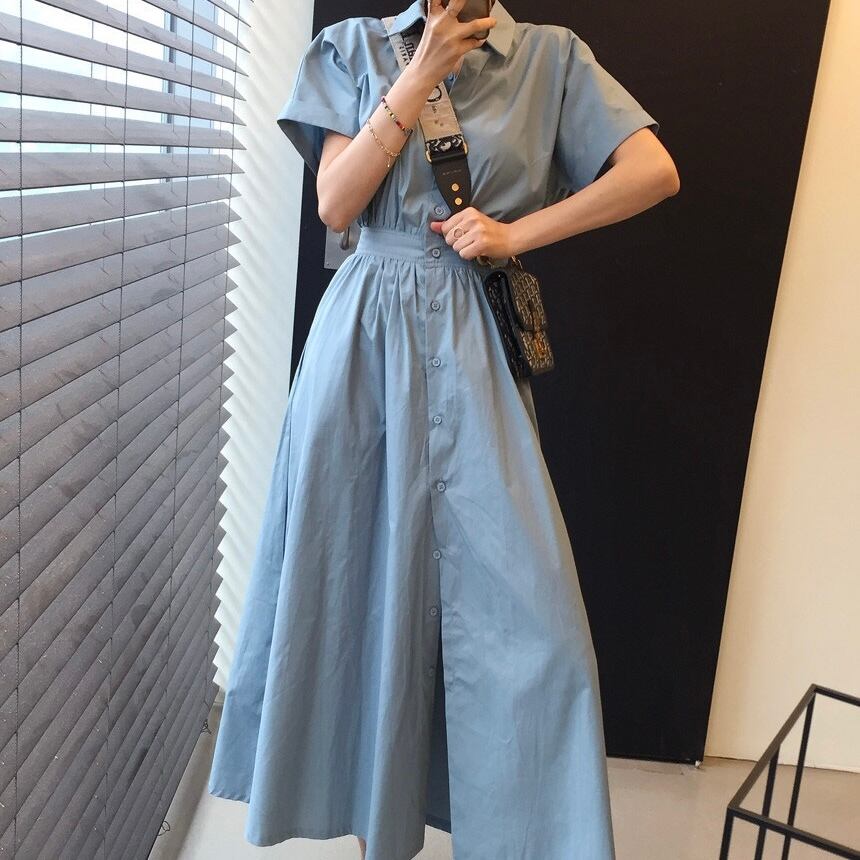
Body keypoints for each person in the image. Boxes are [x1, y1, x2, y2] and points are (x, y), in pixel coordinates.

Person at [207, 0, 679, 858]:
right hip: (362, 348)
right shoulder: (351, 49)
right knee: (360, 584)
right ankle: (378, 830)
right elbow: (336, 205)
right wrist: (420, 69)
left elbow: (653, 171)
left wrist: (517, 232)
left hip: (475, 344)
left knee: (533, 620)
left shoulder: (550, 59)